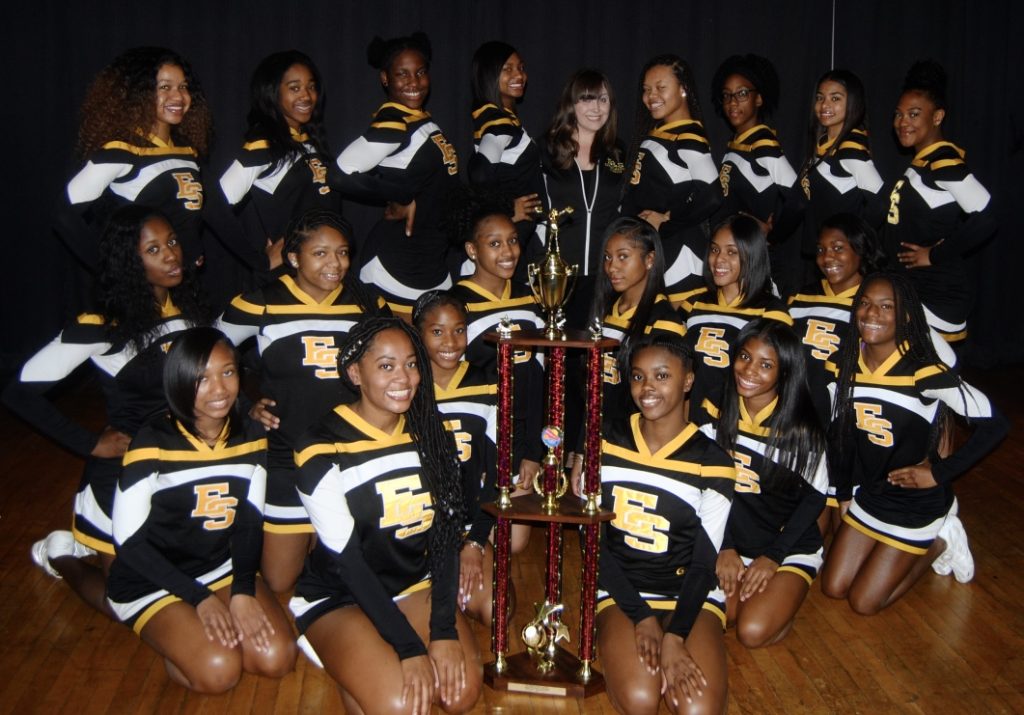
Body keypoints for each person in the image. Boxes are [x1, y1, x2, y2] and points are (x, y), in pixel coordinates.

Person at [5, 205, 207, 615]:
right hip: (124, 474)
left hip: (182, 467)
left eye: (171, 242)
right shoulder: (101, 325)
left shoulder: (188, 308)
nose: (171, 254)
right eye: (153, 249)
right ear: (129, 263)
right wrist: (89, 442)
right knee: (125, 603)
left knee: (186, 583)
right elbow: (18, 391)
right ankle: (61, 553)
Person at [290, 317, 482, 715]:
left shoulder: (431, 433)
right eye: (386, 366)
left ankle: (365, 663)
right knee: (403, 706)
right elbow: (348, 562)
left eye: (412, 364)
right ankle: (333, 648)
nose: (404, 378)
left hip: (411, 584)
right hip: (340, 595)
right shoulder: (319, 447)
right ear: (354, 372)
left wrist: (442, 630)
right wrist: (411, 648)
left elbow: (445, 538)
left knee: (460, 696)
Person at [107, 327, 296, 693]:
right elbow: (128, 543)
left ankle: (194, 634)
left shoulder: (251, 435)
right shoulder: (152, 442)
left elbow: (248, 523)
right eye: (201, 378)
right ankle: (175, 640)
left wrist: (241, 590)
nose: (220, 389)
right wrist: (199, 599)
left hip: (219, 568)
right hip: (154, 578)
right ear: (177, 380)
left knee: (277, 660)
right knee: (219, 672)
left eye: (228, 372)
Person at [217, 209, 386, 593]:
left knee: (344, 574)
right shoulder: (258, 303)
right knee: (279, 580)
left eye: (342, 253)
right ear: (293, 257)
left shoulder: (366, 304)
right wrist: (246, 402)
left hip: (348, 453)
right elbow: (208, 358)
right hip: (286, 452)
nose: (335, 264)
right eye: (321, 253)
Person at [820, 272, 1007, 614]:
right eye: (864, 303)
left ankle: (941, 540)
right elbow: (841, 439)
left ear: (906, 315)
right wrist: (844, 496)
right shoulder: (843, 364)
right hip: (872, 494)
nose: (871, 314)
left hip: (915, 501)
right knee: (833, 588)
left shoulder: (923, 371)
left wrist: (940, 473)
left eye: (886, 306)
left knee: (864, 603)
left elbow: (996, 423)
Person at [590, 334, 734, 715]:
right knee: (640, 701)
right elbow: (592, 542)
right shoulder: (605, 439)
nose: (647, 388)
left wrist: (675, 635)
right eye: (637, 377)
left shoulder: (714, 461)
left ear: (687, 381)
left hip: (690, 592)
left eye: (661, 376)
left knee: (697, 709)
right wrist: (640, 615)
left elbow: (705, 562)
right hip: (624, 589)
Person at [699, 319, 827, 648]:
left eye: (766, 365)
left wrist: (773, 556)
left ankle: (783, 600)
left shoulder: (801, 429)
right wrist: (724, 546)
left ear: (785, 373)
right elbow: (703, 483)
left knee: (751, 632)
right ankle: (767, 603)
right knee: (724, 616)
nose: (749, 370)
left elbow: (814, 500)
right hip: (734, 543)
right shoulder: (715, 406)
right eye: (744, 356)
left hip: (785, 546)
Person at [412, 290, 522, 627]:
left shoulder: (489, 385)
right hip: (416, 526)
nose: (450, 341)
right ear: (418, 333)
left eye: (459, 330)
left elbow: (500, 473)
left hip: (467, 523)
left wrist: (474, 542)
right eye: (437, 331)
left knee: (497, 613)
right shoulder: (404, 385)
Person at [334, 32, 459, 317]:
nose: (413, 82)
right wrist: (401, 194)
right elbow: (339, 175)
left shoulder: (422, 121)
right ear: (385, 79)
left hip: (431, 265)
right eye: (402, 74)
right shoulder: (392, 122)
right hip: (397, 269)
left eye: (420, 72)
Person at [62, 47, 213, 271]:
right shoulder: (120, 151)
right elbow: (64, 215)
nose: (178, 96)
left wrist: (193, 250)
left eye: (183, 87)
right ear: (138, 94)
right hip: (138, 291)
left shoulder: (187, 151)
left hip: (183, 283)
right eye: (164, 87)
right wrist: (111, 271)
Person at [883, 60, 996, 346]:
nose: (902, 122)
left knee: (924, 382)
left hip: (937, 293)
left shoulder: (944, 161)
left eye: (914, 114)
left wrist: (933, 255)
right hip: (913, 288)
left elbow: (987, 217)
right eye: (899, 114)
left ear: (937, 117)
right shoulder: (922, 162)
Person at [218, 50, 342, 284]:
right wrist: (258, 260)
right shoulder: (264, 145)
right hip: (288, 281)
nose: (306, 96)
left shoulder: (309, 141)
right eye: (294, 88)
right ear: (272, 93)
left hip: (324, 274)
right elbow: (216, 205)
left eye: (311, 87)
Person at [450, 203, 545, 491]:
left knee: (515, 538)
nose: (507, 251)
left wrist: (533, 450)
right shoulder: (455, 303)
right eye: (494, 243)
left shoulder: (530, 299)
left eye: (513, 240)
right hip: (476, 437)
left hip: (521, 435)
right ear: (472, 250)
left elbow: (539, 379)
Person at [622, 55, 721, 299]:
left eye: (660, 88)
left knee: (676, 332)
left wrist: (668, 220)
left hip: (682, 256)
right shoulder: (659, 133)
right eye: (646, 90)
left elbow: (713, 194)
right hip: (658, 251)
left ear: (683, 89)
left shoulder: (689, 135)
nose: (651, 96)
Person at [681, 214, 792, 418]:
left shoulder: (772, 313)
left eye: (732, 252)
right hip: (693, 426)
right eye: (715, 250)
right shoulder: (692, 305)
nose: (719, 259)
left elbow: (782, 382)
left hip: (737, 427)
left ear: (751, 254)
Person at [711, 54, 804, 297]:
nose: (733, 102)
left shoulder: (763, 144)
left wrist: (773, 234)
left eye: (742, 94)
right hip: (736, 262)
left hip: (759, 265)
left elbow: (798, 199)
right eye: (727, 95)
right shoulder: (737, 143)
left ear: (759, 98)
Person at [588, 216, 686, 422]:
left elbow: (667, 403)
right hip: (595, 431)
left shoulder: (665, 322)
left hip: (632, 441)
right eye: (607, 257)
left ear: (650, 260)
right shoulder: (605, 311)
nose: (612, 267)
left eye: (623, 257)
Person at [541, 69, 626, 297]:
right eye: (587, 98)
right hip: (556, 276)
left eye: (603, 99)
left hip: (606, 277)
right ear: (571, 103)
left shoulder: (618, 152)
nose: (597, 108)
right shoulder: (546, 149)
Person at [797, 70, 884, 285]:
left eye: (835, 98)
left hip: (841, 263)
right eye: (820, 98)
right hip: (820, 256)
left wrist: (854, 243)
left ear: (853, 103)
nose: (825, 105)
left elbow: (880, 203)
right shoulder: (825, 142)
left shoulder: (850, 148)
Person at [467, 41, 544, 276]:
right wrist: (510, 208)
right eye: (507, 69)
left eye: (520, 67)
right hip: (508, 242)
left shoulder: (504, 118)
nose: (518, 74)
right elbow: (478, 174)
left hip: (516, 239)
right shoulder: (499, 123)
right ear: (489, 74)